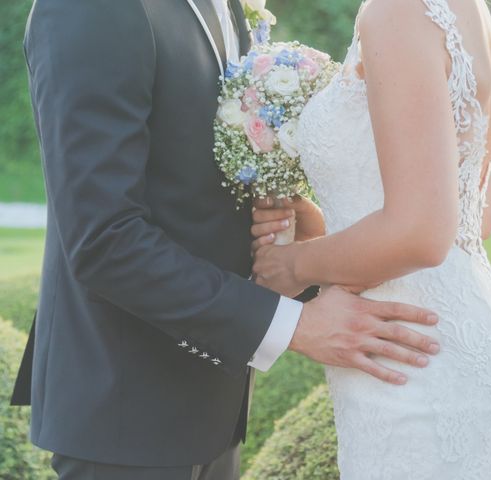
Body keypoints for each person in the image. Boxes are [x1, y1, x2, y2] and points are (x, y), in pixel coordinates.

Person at [12, 1, 442, 479]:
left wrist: (289, 232)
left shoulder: (226, 8)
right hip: (125, 408)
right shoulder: (90, 9)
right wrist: (295, 326)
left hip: (214, 405)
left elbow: (194, 180)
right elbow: (104, 239)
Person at [253, 0, 491, 477]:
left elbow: (422, 233)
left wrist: (293, 265)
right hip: (447, 348)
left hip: (422, 370)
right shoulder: (468, 13)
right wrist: (329, 234)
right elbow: (475, 217)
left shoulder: (397, 12)